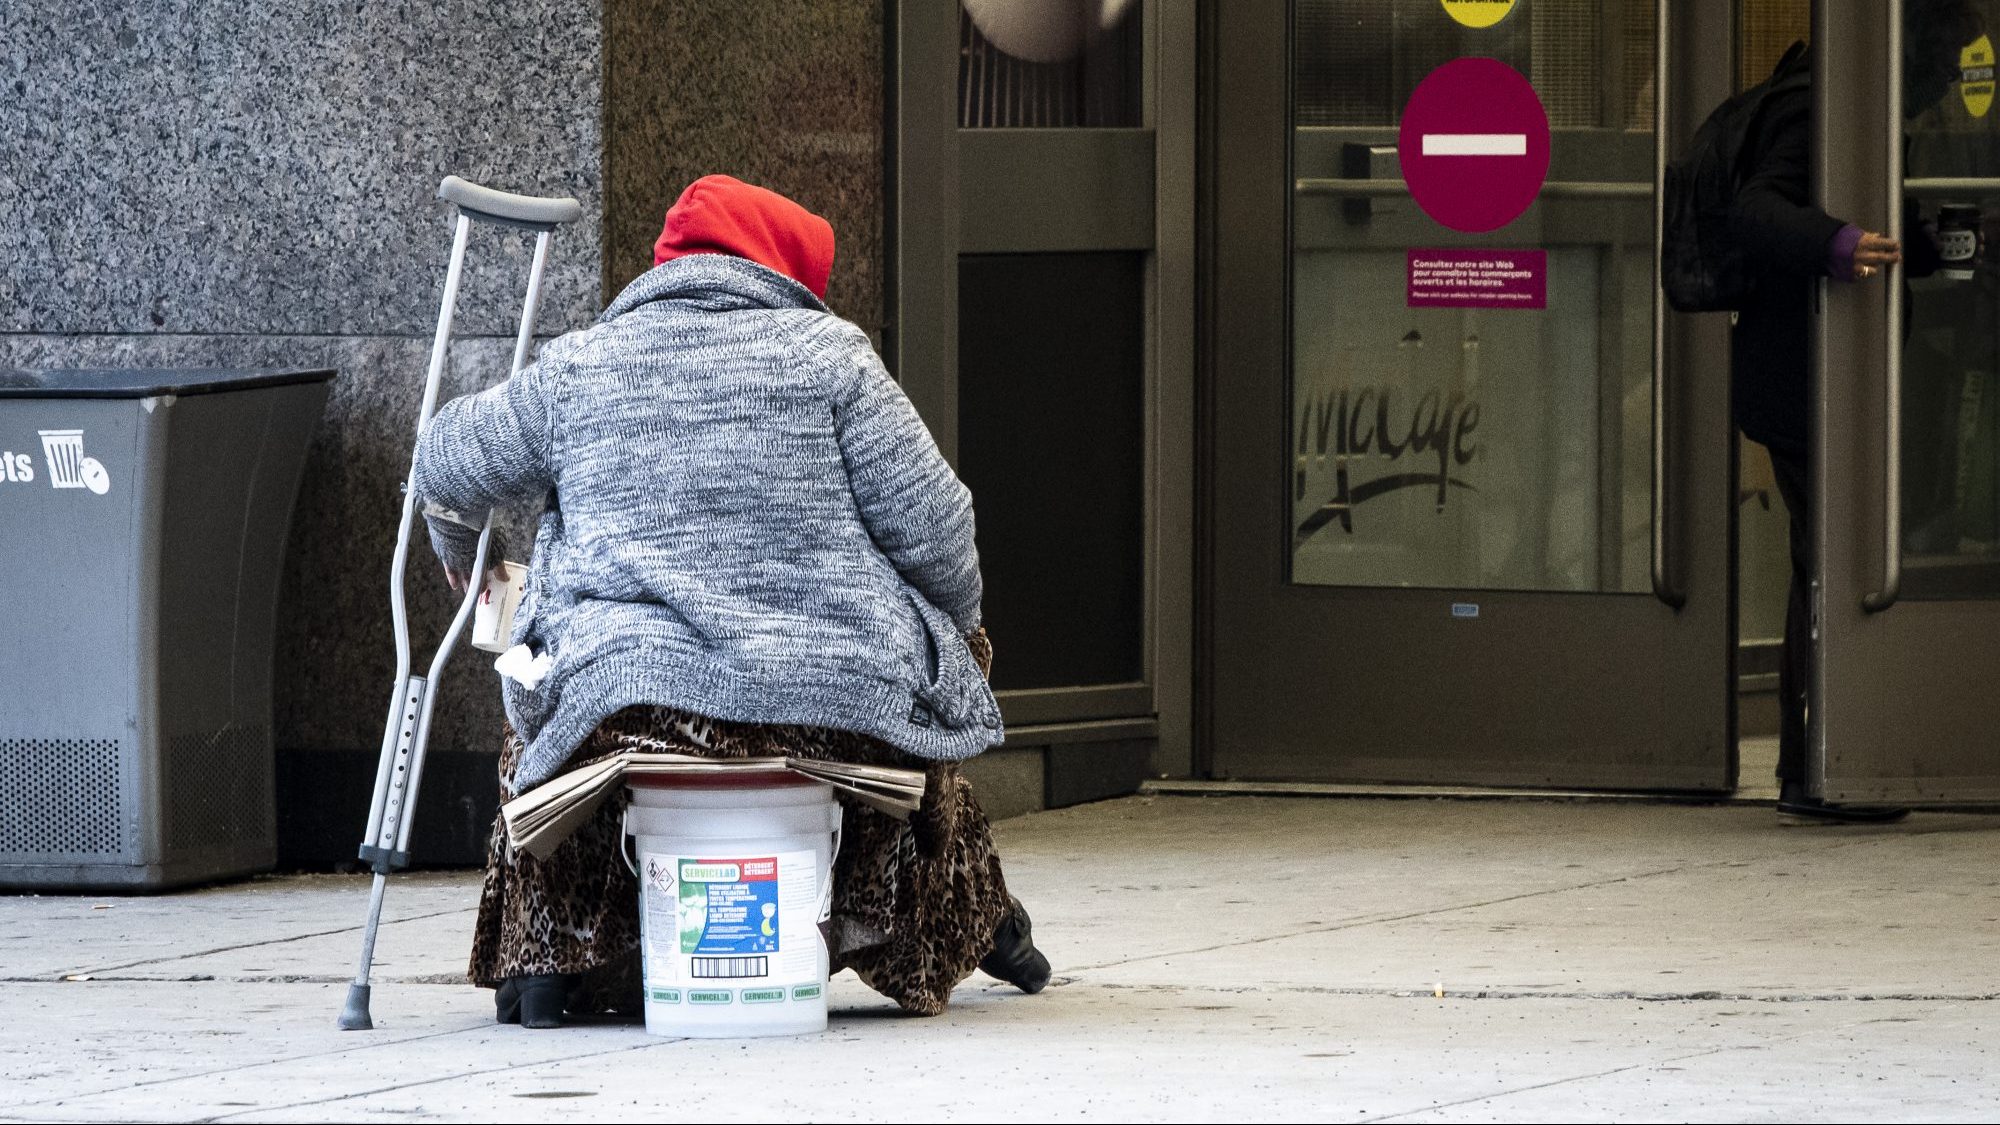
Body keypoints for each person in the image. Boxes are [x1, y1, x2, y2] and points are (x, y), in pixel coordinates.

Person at [412, 175, 1051, 1027]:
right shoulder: (832, 358)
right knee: (923, 706)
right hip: (823, 710)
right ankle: (968, 918)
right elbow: (940, 532)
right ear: (784, 273)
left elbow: (446, 458)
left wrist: (460, 548)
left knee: (539, 723)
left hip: (630, 703)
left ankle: (545, 961)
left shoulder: (580, 364)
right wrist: (958, 628)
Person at [1731, 2, 1980, 823]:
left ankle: (1815, 758)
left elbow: (1887, 226)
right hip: (1805, 380)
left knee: (1820, 557)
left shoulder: (1870, 119)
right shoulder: (1818, 105)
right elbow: (1758, 207)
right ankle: (1814, 763)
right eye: (1939, 67)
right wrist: (1838, 245)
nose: (1943, 86)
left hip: (1831, 378)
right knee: (1827, 557)